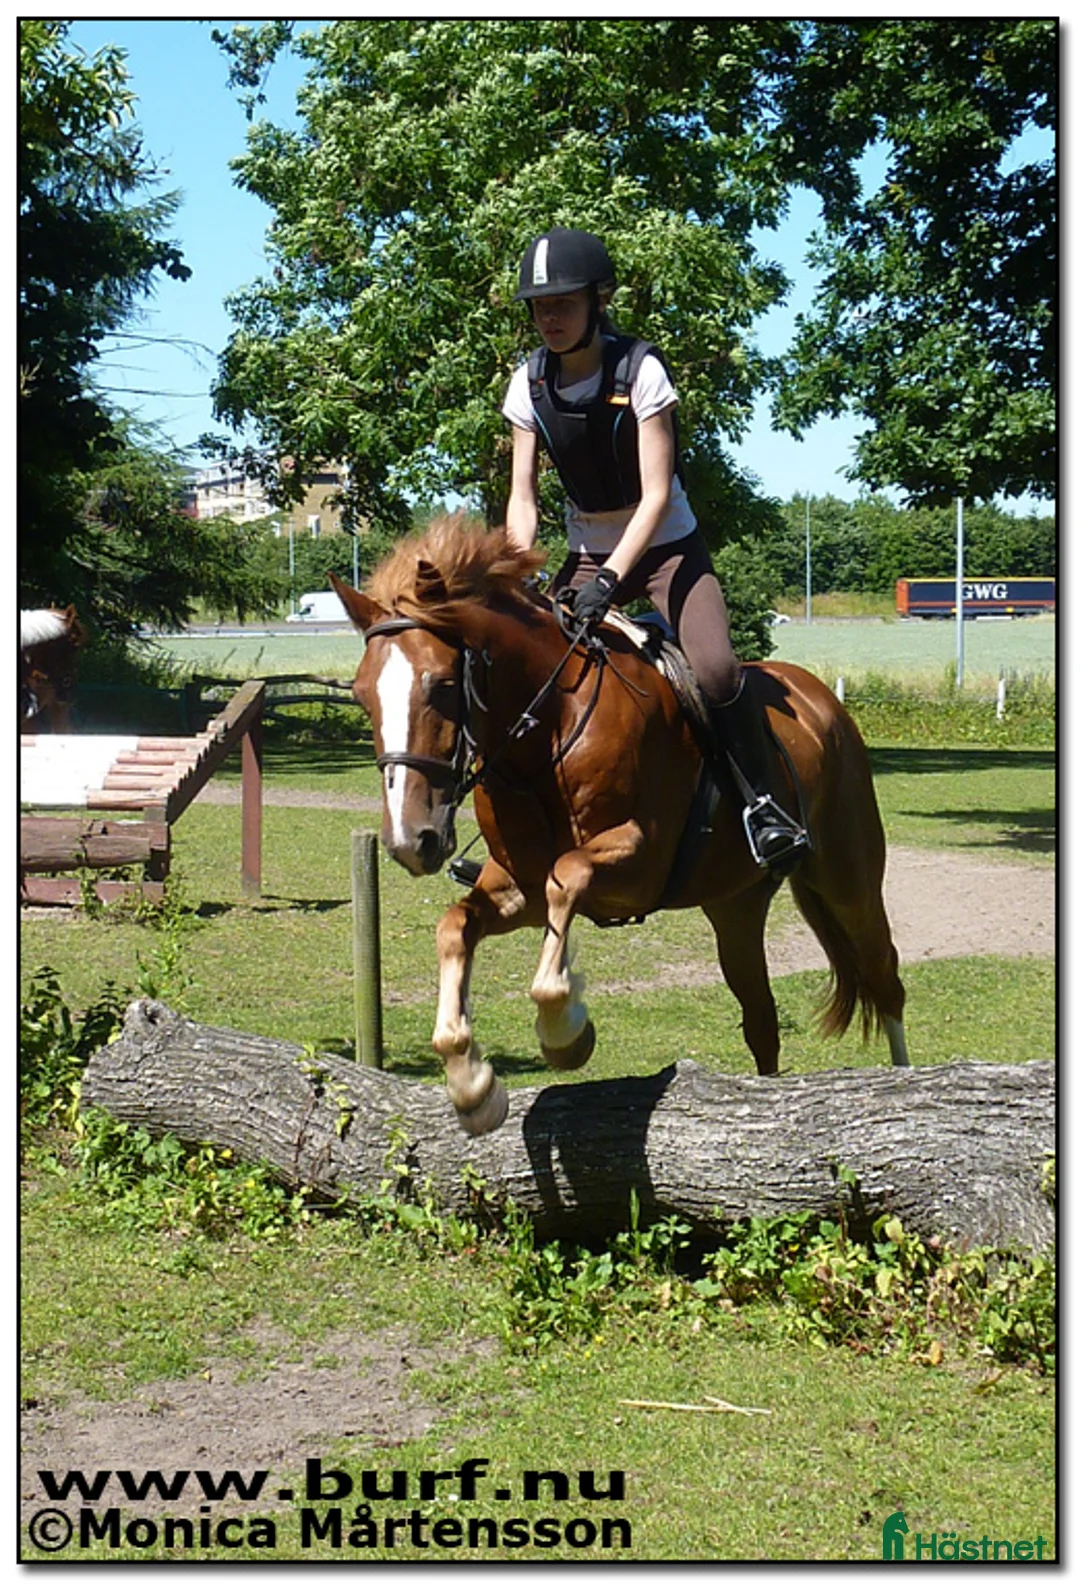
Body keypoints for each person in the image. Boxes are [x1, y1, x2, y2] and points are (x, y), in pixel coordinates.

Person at [502, 225, 809, 878]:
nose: (548, 317)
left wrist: (611, 577)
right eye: (539, 305)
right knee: (526, 672)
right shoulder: (527, 383)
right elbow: (523, 500)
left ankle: (764, 808)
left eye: (562, 303)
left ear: (597, 301)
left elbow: (655, 495)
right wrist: (512, 571)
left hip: (666, 547)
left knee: (719, 670)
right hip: (587, 553)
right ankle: (523, 837)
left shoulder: (641, 371)